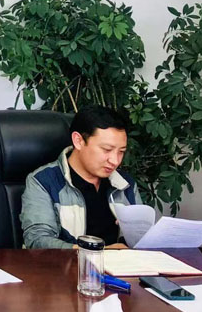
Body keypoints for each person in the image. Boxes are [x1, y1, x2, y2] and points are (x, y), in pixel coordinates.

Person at [21, 105, 142, 249]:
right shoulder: (43, 182)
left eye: (121, 151)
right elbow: (37, 241)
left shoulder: (125, 184)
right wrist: (97, 252)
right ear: (78, 141)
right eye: (107, 150)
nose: (115, 161)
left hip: (123, 263)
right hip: (70, 263)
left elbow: (141, 240)